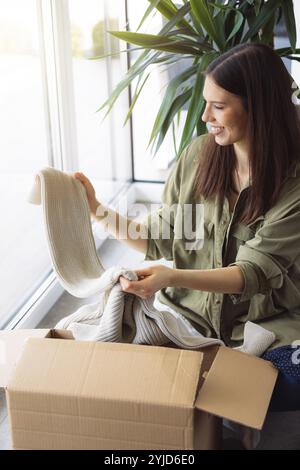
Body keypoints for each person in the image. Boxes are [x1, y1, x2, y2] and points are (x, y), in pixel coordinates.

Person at [74, 43, 300, 412]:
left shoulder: (294, 180)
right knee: (103, 353)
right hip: (189, 323)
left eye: (219, 106)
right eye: (207, 102)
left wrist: (170, 277)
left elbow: (251, 273)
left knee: (288, 383)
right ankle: (215, 388)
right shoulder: (199, 155)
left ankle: (215, 389)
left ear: (258, 107)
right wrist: (97, 209)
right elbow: (158, 237)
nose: (205, 116)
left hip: (269, 327)